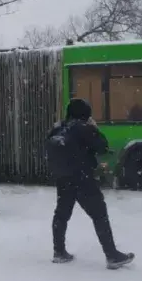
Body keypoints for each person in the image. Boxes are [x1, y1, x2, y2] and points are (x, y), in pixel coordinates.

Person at [46, 98, 134, 269]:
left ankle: (59, 251)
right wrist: (93, 128)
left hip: (63, 178)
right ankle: (112, 255)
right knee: (99, 213)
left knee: (62, 214)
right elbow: (102, 146)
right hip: (82, 177)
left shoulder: (58, 128)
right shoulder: (83, 128)